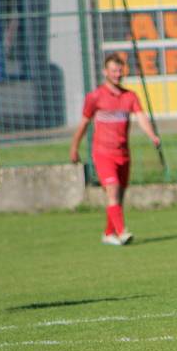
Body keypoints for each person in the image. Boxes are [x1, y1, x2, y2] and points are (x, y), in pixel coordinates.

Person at [69, 54, 160, 246]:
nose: (118, 74)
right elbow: (83, 125)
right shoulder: (95, 97)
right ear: (105, 72)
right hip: (103, 153)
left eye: (120, 70)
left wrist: (152, 135)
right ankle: (122, 231)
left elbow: (142, 117)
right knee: (113, 190)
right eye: (113, 70)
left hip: (123, 154)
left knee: (118, 196)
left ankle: (108, 233)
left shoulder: (130, 96)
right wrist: (74, 147)